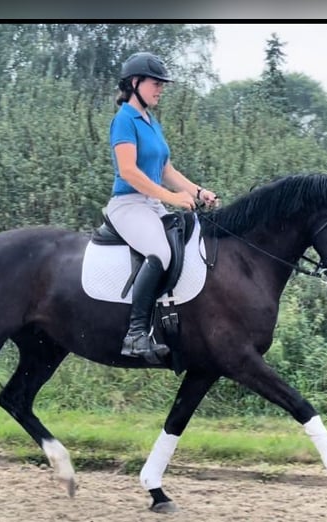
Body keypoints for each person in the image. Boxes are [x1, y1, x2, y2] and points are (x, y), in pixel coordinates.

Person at [106, 51, 218, 362]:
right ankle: (136, 334)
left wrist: (198, 191)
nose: (160, 89)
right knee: (160, 253)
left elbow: (166, 170)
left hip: (151, 205)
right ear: (134, 83)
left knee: (187, 245)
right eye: (155, 84)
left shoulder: (150, 122)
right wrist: (171, 198)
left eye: (162, 85)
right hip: (128, 204)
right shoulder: (124, 121)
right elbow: (129, 172)